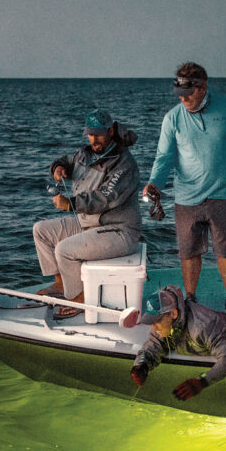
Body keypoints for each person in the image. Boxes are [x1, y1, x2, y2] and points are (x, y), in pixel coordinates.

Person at [143, 62, 226, 310]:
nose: (183, 98)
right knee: (188, 251)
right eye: (179, 93)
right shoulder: (172, 118)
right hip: (187, 197)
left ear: (203, 87)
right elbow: (164, 157)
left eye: (188, 92)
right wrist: (154, 183)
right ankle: (191, 298)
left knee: (225, 250)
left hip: (223, 194)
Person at [32, 108, 141, 320]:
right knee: (41, 231)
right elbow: (65, 160)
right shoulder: (85, 154)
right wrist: (58, 168)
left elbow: (106, 198)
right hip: (88, 223)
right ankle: (61, 284)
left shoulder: (124, 163)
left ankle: (79, 299)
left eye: (99, 133)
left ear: (110, 131)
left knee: (64, 250)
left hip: (119, 230)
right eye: (90, 133)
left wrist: (70, 203)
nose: (94, 138)